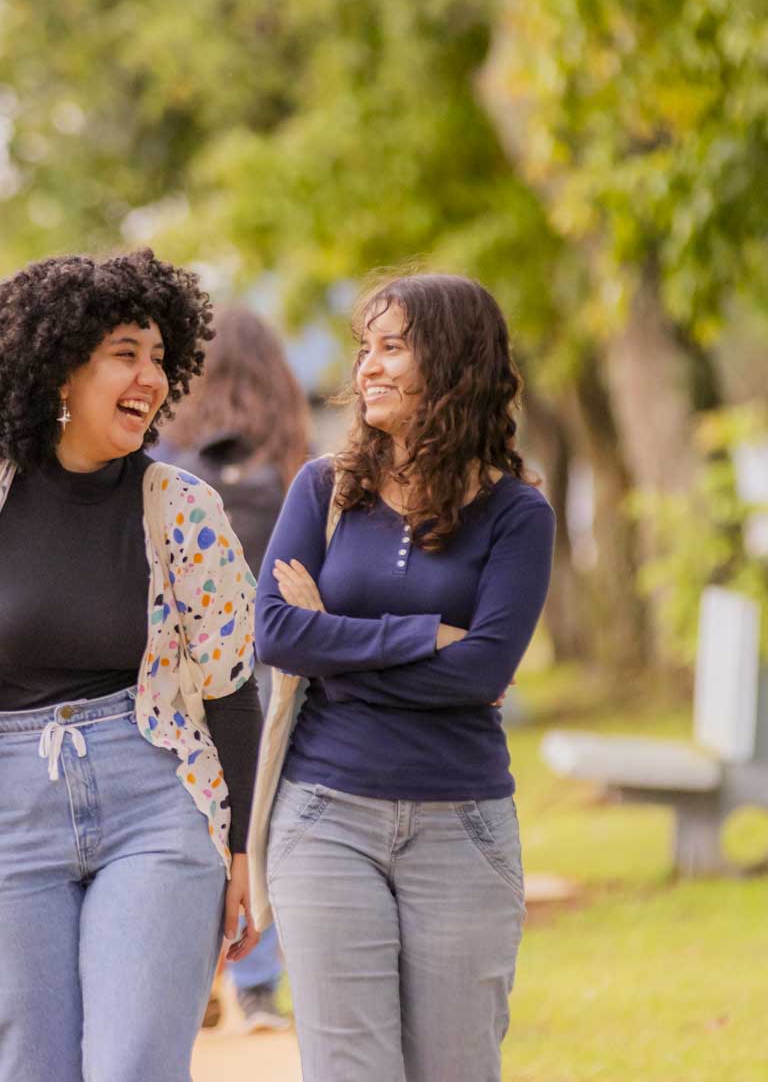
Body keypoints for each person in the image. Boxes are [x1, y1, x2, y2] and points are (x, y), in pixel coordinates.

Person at [0, 249, 264, 1082]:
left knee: (133, 1064)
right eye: (126, 353)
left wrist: (240, 855)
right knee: (27, 1065)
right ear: (58, 368)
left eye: (161, 358)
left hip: (157, 798)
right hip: (0, 802)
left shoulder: (183, 510)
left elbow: (232, 691)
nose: (151, 378)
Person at [253, 273, 555, 1081]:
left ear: (453, 363)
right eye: (365, 349)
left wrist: (337, 650)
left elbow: (484, 670)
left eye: (393, 348)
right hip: (325, 817)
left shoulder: (518, 514)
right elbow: (277, 633)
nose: (367, 369)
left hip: (464, 827)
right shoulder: (322, 489)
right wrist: (425, 635)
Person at [155, 305, 311, 1034]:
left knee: (190, 822)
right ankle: (255, 984)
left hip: (183, 676)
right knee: (258, 824)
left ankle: (196, 977)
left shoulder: (167, 462)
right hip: (270, 672)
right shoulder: (293, 468)